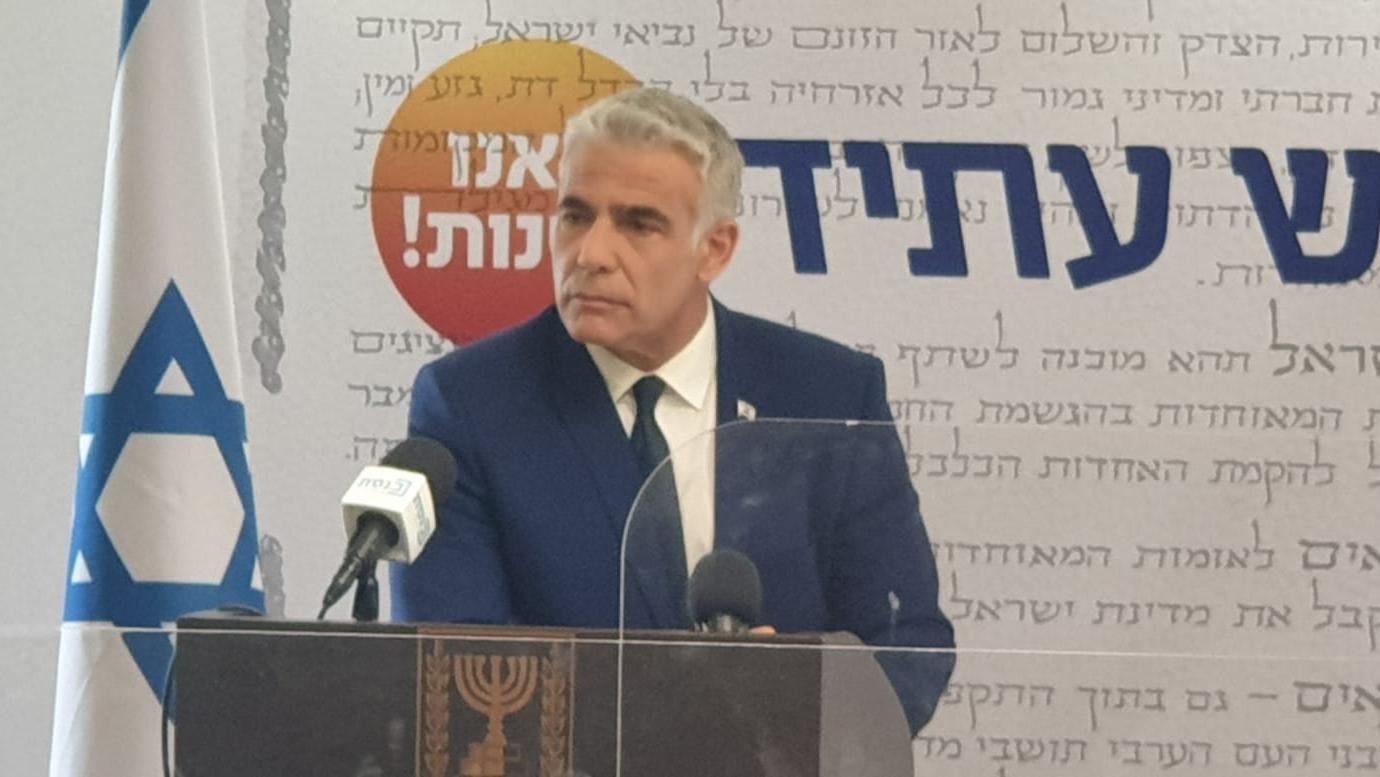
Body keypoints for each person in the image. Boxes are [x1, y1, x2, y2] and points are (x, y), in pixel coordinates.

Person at [391, 87, 954, 731]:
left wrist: (796, 707)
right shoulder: (470, 404)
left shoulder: (829, 392)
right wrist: (686, 717)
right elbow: (455, 663)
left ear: (715, 249)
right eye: (575, 216)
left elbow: (908, 643)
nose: (591, 254)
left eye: (638, 224)